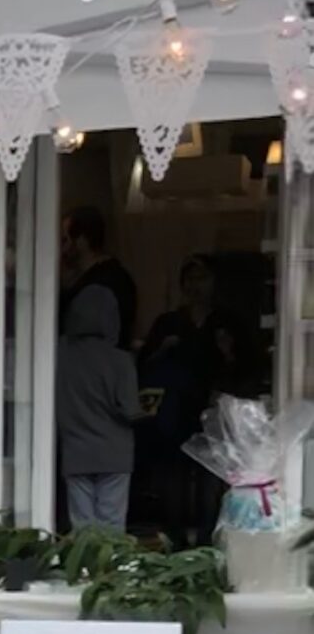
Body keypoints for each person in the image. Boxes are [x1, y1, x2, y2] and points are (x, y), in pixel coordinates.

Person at [137, 256, 221, 544]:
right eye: (190, 279)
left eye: (203, 278)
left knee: (211, 474)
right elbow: (144, 366)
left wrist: (228, 353)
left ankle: (207, 539)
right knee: (172, 475)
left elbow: (249, 363)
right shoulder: (169, 323)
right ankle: (176, 539)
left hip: (213, 410)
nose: (196, 286)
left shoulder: (224, 322)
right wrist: (161, 350)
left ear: (214, 283)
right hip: (174, 412)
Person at [57, 283, 143, 528]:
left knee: (82, 527)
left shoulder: (58, 357)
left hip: (75, 453)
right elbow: (130, 410)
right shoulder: (120, 360)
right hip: (114, 454)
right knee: (111, 526)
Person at [60, 205, 137, 349]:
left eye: (65, 240)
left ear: (82, 240)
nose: (61, 249)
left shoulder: (109, 281)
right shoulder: (115, 277)